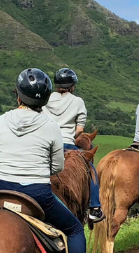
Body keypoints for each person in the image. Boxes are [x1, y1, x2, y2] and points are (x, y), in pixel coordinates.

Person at [0, 68, 95, 253]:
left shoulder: (1, 120)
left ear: (18, 95)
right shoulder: (50, 126)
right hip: (37, 195)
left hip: (0, 191)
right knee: (76, 230)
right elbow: (58, 167)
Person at [44, 68, 104, 223]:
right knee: (90, 170)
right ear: (72, 86)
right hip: (68, 145)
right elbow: (80, 130)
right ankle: (95, 208)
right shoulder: (77, 101)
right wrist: (73, 135)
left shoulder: (46, 99)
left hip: (46, 145)